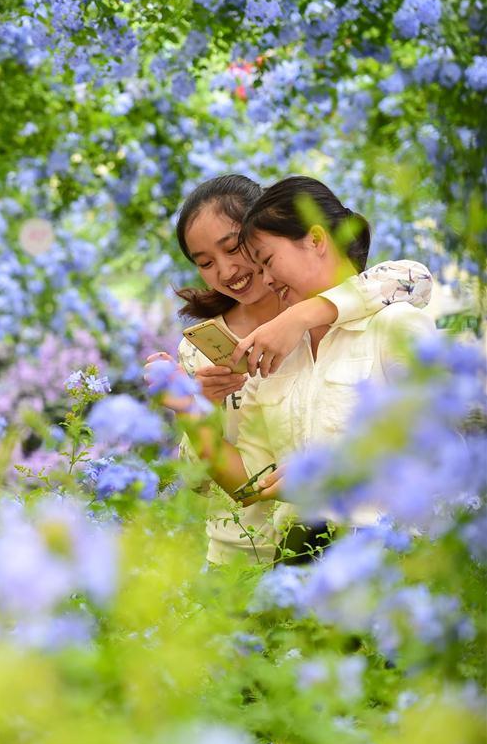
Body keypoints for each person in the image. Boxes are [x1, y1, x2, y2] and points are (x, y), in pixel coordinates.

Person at [148, 175, 433, 563]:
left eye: (237, 249)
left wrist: (300, 315)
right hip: (260, 555)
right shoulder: (236, 353)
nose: (227, 270)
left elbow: (413, 278)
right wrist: (195, 412)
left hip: (372, 550)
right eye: (205, 263)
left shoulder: (359, 319)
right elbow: (233, 480)